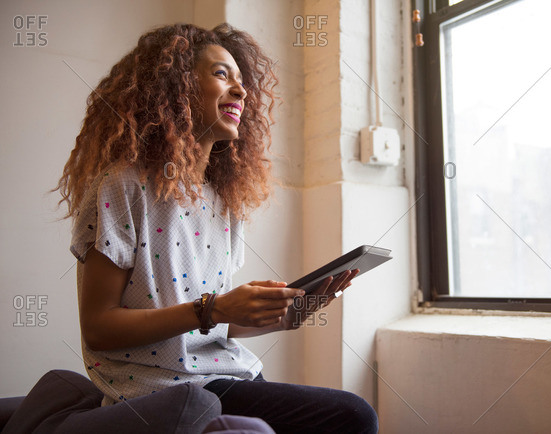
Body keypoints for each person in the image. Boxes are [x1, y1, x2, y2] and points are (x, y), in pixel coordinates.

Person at [55, 23, 378, 433]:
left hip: (227, 376)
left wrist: (288, 314)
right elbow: (99, 327)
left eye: (241, 81)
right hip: (162, 390)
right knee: (353, 415)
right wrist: (215, 307)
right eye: (222, 74)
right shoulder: (121, 187)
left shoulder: (223, 201)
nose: (241, 92)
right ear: (174, 87)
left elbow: (211, 323)